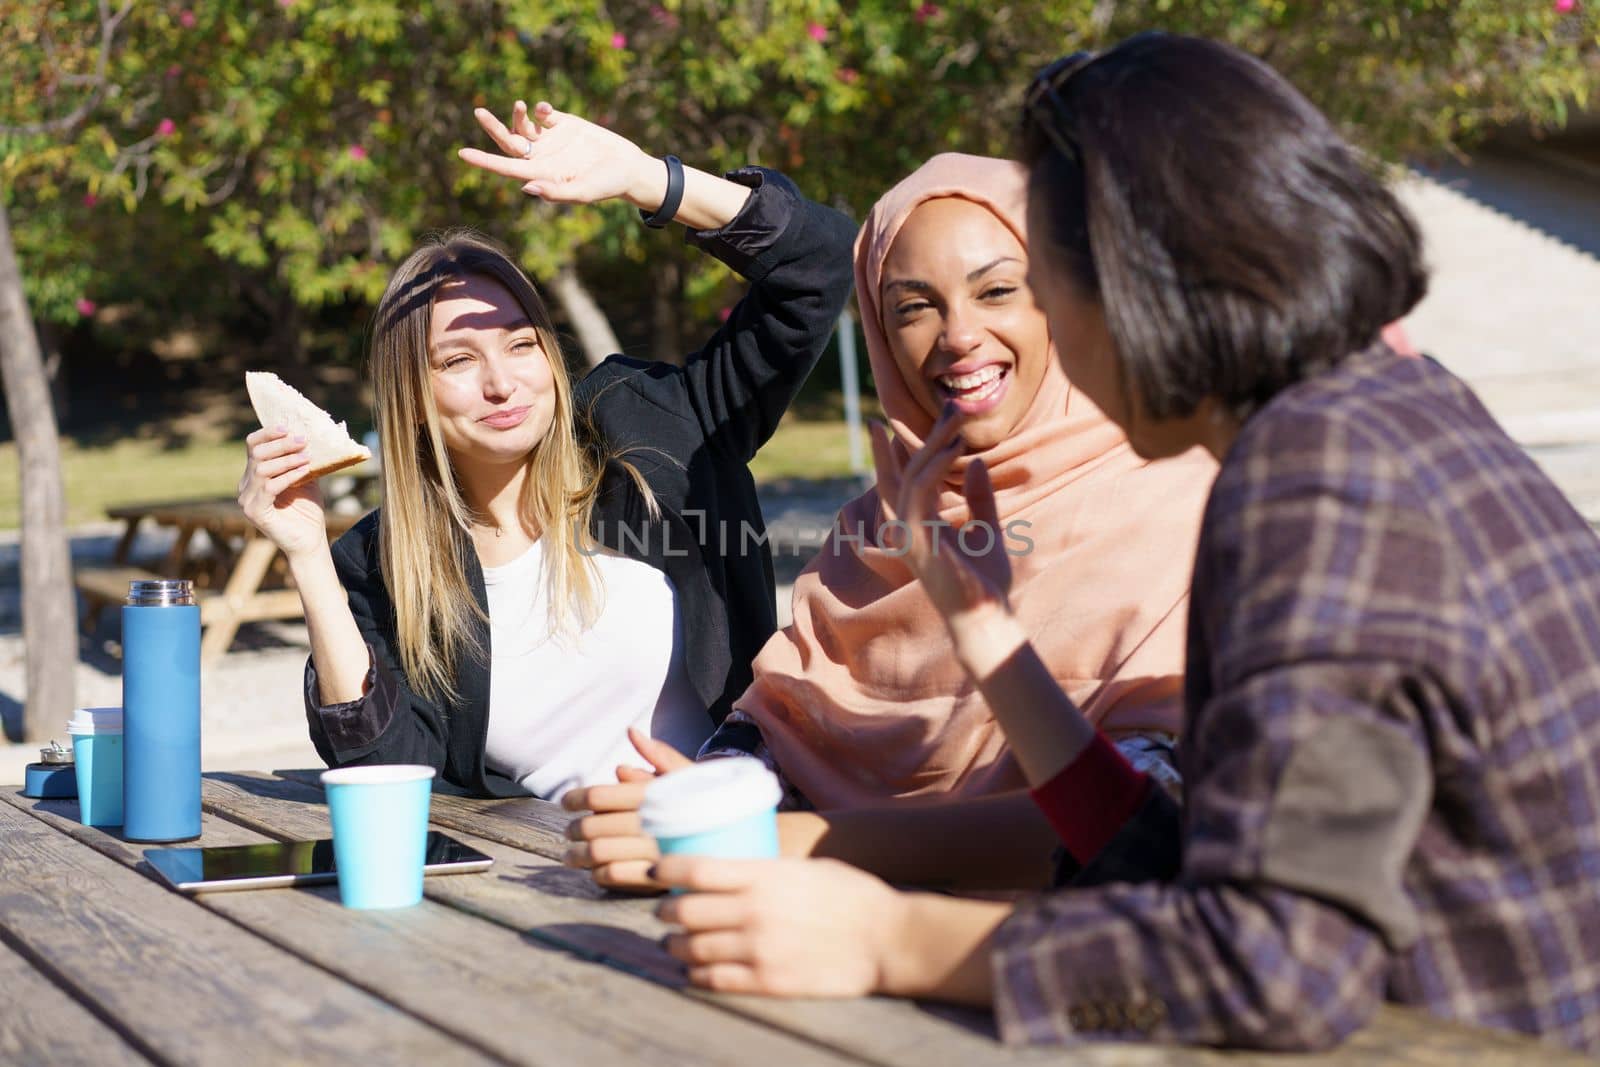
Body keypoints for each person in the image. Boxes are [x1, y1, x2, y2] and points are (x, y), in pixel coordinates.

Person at [642, 34, 1600, 1055]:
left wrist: (893, 937)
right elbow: (1178, 857)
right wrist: (982, 628)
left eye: (1038, 283)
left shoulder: (1313, 488)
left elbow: (1271, 964)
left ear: (1138, 277)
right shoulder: (1393, 407)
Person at [564, 153, 1216, 891]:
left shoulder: (1182, 506)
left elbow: (1138, 826)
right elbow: (768, 742)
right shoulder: (876, 529)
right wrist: (702, 800)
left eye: (997, 290)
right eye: (913, 306)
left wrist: (767, 842)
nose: (959, 335)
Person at [238, 100, 854, 799]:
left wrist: (651, 180)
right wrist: (307, 554)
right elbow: (382, 775)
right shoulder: (382, 565)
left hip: (738, 834)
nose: (503, 383)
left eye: (522, 344)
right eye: (458, 359)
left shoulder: (654, 428)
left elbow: (822, 264)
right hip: (555, 877)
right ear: (411, 396)